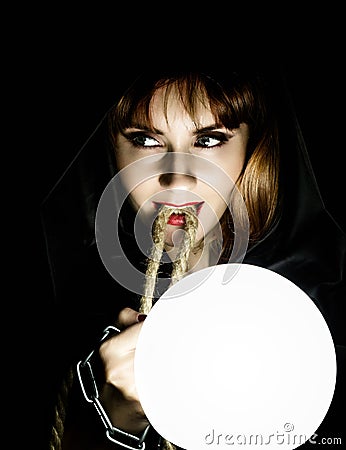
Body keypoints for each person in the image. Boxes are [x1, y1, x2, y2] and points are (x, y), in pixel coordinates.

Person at [41, 65, 345, 450]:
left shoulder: (313, 312)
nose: (178, 177)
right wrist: (117, 422)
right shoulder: (77, 297)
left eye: (209, 140)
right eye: (146, 141)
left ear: (252, 147)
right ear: (111, 149)